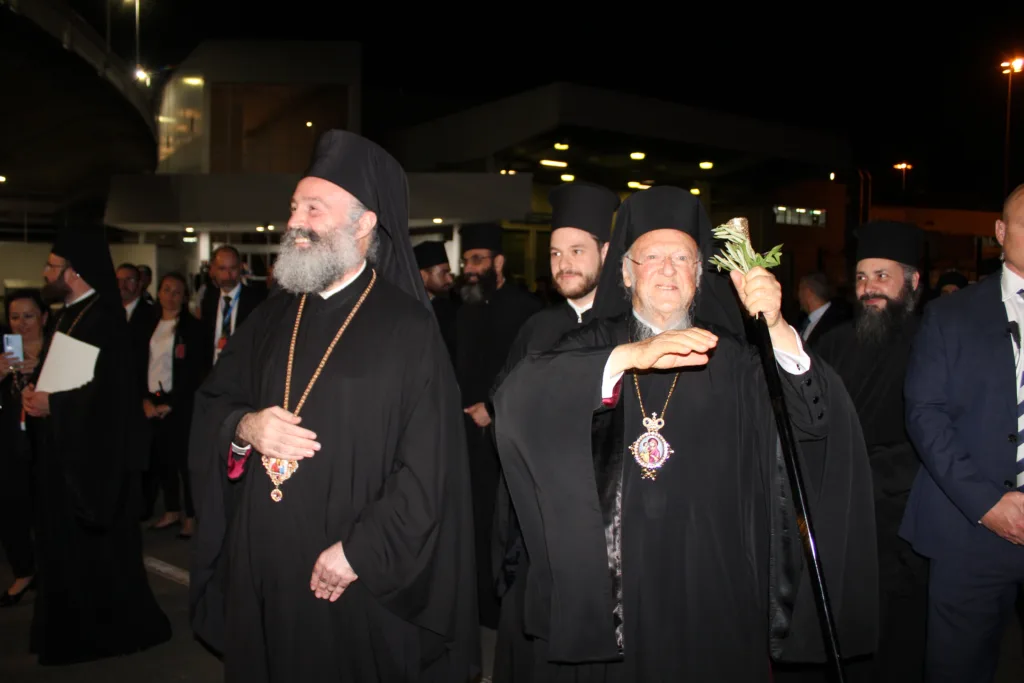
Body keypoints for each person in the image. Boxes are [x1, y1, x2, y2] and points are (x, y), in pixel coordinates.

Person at [493, 186, 878, 681]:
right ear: (627, 271)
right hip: (616, 588)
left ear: (699, 276)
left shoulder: (735, 357)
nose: (669, 268)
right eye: (652, 256)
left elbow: (814, 420)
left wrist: (778, 327)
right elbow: (519, 401)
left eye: (683, 257)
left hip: (714, 584)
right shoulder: (589, 345)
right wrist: (625, 359)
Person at [189, 129, 479, 683]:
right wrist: (245, 426)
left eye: (314, 208)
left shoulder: (409, 328)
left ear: (363, 223)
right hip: (264, 565)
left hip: (348, 575)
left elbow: (429, 471)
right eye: (294, 207)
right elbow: (215, 402)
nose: (295, 221)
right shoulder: (272, 317)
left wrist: (358, 553)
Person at [22, 225, 171, 665]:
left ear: (75, 273)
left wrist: (55, 404)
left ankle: (97, 634)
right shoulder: (70, 314)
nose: (45, 273)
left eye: (52, 267)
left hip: (95, 468)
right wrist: (35, 391)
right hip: (64, 456)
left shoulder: (104, 321)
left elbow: (106, 400)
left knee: (97, 559)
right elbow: (64, 377)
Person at [490, 180, 619, 675]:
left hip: (603, 533)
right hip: (536, 529)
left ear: (606, 253)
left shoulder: (628, 328)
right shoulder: (536, 328)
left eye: (578, 251)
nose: (564, 262)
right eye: (556, 252)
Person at [901, 184, 1024, 683]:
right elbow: (925, 414)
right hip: (971, 527)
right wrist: (988, 504)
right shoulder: (950, 314)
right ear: (1000, 232)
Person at [812, 221, 928, 682]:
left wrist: (868, 473)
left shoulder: (934, 343)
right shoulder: (834, 343)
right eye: (861, 278)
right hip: (841, 516)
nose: (868, 289)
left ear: (914, 281)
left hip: (904, 520)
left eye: (882, 276)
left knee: (898, 647)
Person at [413, 240, 457, 363]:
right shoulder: (407, 310)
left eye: (449, 273)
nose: (449, 280)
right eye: (443, 273)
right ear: (423, 276)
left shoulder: (453, 311)